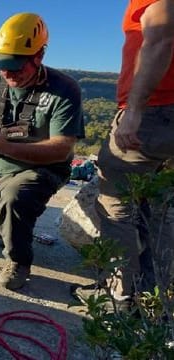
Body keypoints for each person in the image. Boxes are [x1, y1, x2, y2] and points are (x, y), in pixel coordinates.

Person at [0, 13, 85, 290]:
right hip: (0, 169)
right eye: (3, 65)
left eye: (16, 66)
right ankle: (13, 228)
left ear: (39, 56)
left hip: (44, 168)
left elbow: (62, 148)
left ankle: (19, 261)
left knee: (15, 198)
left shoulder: (64, 89)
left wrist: (3, 144)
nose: (8, 73)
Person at [74, 0, 174, 306]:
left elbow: (160, 39)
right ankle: (158, 300)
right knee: (164, 212)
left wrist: (134, 111)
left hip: (153, 114)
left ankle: (119, 295)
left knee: (116, 208)